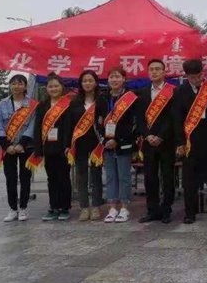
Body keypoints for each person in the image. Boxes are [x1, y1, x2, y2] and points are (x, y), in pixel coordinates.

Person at [173, 59, 207, 224]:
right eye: (192, 77)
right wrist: (180, 142)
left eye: (199, 76)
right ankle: (190, 213)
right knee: (190, 180)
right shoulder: (180, 91)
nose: (196, 80)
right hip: (190, 141)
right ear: (186, 76)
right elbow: (177, 118)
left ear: (202, 73)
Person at [136, 59, 176, 224]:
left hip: (166, 141)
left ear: (164, 72)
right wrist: (147, 135)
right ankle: (152, 210)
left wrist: (161, 136)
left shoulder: (173, 91)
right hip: (148, 142)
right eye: (151, 69)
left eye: (158, 69)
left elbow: (174, 117)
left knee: (168, 177)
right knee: (150, 177)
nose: (154, 72)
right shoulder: (143, 92)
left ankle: (166, 210)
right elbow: (139, 119)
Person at [0, 74, 37, 222]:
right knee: (10, 178)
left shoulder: (32, 104)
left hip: (26, 146)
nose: (16, 86)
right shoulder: (3, 103)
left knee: (25, 178)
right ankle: (13, 209)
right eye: (13, 83)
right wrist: (6, 145)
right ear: (10, 86)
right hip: (8, 147)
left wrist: (22, 144)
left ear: (25, 86)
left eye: (20, 83)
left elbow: (32, 125)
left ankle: (23, 208)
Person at [66, 70, 107, 222]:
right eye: (85, 81)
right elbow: (69, 125)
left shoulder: (102, 100)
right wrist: (68, 144)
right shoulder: (75, 102)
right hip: (80, 143)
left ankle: (96, 206)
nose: (87, 83)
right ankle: (84, 207)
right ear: (81, 84)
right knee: (81, 175)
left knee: (96, 175)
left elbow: (106, 121)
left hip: (97, 142)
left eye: (90, 80)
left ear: (95, 83)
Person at [32, 73, 72, 221]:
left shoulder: (68, 104)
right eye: (50, 86)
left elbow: (69, 127)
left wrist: (68, 145)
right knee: (52, 178)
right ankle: (53, 207)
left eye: (56, 86)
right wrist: (38, 149)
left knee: (64, 177)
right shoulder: (42, 106)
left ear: (62, 87)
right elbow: (37, 128)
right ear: (46, 88)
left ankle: (64, 208)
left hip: (63, 147)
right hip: (48, 147)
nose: (53, 89)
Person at [101, 67, 138, 223]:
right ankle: (112, 208)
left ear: (124, 79)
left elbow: (134, 123)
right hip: (107, 145)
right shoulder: (102, 98)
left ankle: (124, 208)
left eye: (117, 77)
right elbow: (97, 122)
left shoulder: (131, 98)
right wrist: (105, 140)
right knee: (110, 177)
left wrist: (118, 139)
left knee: (124, 176)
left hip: (124, 144)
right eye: (111, 77)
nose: (114, 80)